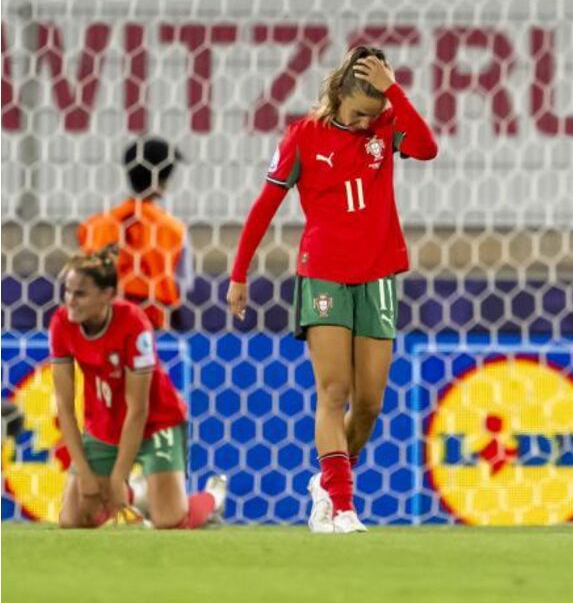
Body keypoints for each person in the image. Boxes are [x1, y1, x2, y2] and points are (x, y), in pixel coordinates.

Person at [226, 46, 439, 534]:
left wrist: (394, 94)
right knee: (334, 391)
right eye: (360, 114)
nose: (368, 123)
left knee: (369, 404)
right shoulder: (303, 136)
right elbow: (264, 207)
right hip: (323, 272)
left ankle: (326, 482)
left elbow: (427, 148)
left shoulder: (387, 128)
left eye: (375, 113)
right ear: (340, 96)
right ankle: (342, 506)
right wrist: (240, 273)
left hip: (379, 274)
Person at [51, 246, 226, 529]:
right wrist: (83, 471)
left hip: (157, 422)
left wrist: (118, 476)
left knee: (169, 521)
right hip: (104, 425)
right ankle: (139, 493)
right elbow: (65, 406)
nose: (70, 301)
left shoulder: (133, 323)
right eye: (67, 292)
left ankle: (212, 496)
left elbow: (138, 408)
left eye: (80, 293)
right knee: (73, 520)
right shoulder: (61, 323)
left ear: (107, 295)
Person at [78, 137, 188, 330]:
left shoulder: (94, 226)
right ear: (163, 180)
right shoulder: (174, 230)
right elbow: (183, 282)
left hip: (101, 320)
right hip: (152, 323)